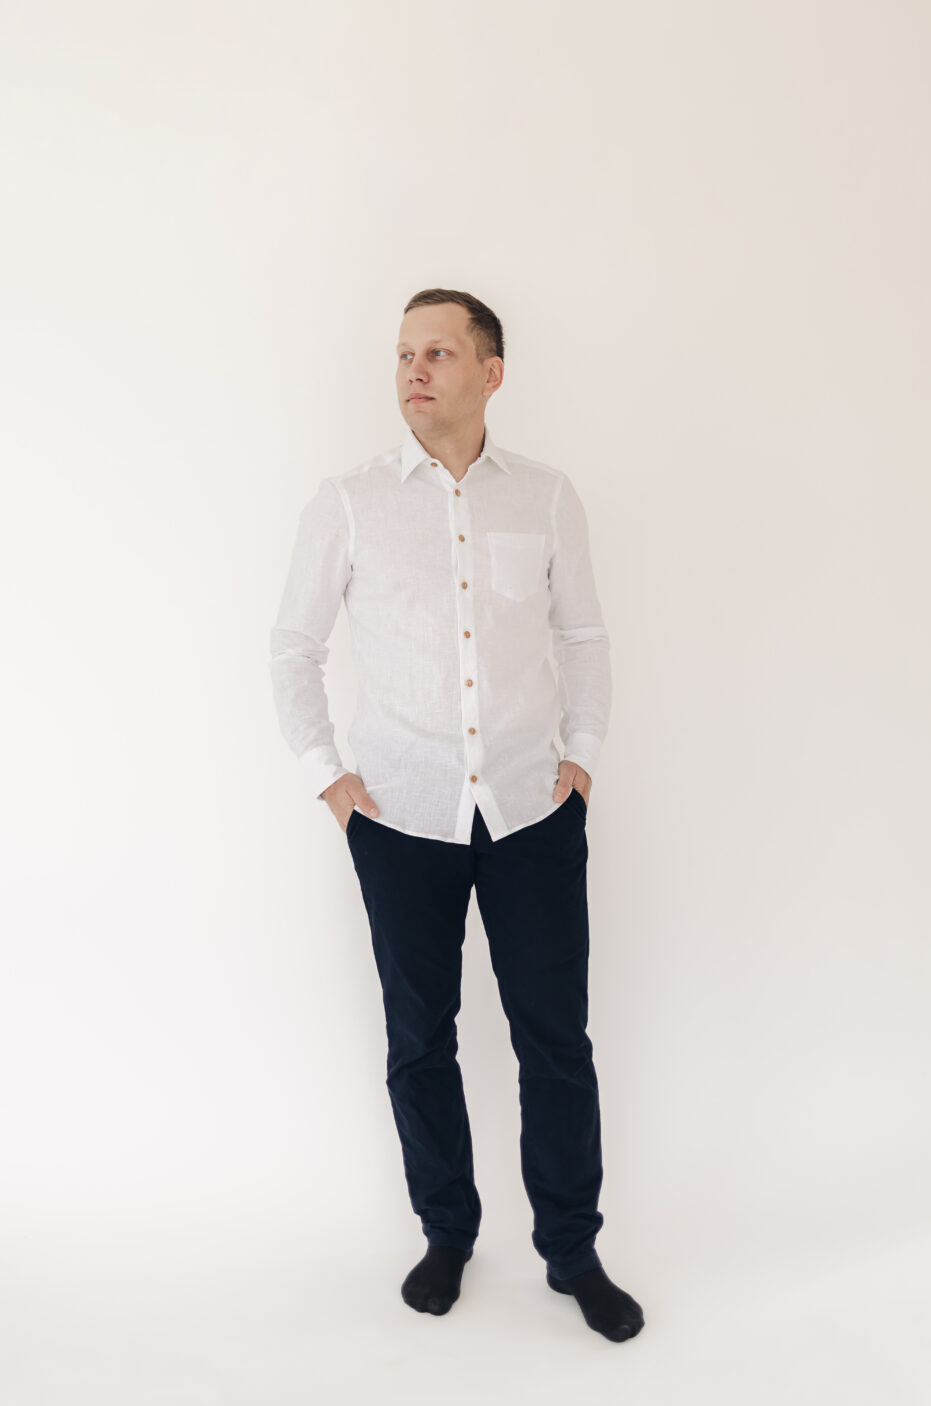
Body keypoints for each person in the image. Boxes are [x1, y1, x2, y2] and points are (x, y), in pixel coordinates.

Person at [268, 288, 644, 1343]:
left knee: (554, 1038)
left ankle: (571, 1249)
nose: (414, 370)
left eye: (438, 351)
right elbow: (292, 646)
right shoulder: (347, 501)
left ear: (491, 371)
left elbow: (583, 636)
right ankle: (447, 1231)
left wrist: (581, 756)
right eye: (403, 354)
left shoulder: (546, 496)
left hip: (531, 809)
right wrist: (330, 780)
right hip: (399, 817)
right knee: (418, 1038)